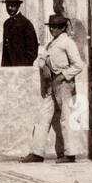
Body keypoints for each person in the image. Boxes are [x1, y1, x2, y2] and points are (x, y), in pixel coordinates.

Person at [24, 13, 85, 163]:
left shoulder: (68, 42)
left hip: (64, 84)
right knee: (43, 117)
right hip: (51, 84)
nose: (53, 29)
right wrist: (43, 64)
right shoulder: (51, 44)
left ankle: (70, 154)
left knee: (66, 117)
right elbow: (41, 59)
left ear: (63, 27)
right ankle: (37, 153)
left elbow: (78, 65)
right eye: (51, 26)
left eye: (56, 27)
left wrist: (63, 76)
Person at [1, 0, 39, 66]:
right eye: (7, 5)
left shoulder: (26, 24)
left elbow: (33, 49)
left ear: (18, 6)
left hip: (22, 68)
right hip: (8, 68)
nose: (10, 8)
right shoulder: (6, 23)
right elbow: (6, 50)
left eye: (12, 5)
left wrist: (24, 65)